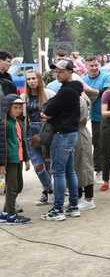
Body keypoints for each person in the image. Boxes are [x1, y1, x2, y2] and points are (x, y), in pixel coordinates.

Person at [40, 60, 84, 221]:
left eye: (61, 71)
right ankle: (73, 206)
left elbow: (48, 109)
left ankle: (57, 209)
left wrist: (48, 112)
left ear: (70, 72)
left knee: (58, 172)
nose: (57, 73)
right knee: (69, 171)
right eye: (56, 71)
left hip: (62, 134)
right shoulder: (71, 88)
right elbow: (50, 106)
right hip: (70, 133)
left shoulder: (66, 91)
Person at [22, 70, 55, 206]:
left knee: (48, 164)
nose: (31, 81)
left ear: (39, 79)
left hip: (46, 130)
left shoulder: (50, 94)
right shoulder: (24, 96)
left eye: (33, 78)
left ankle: (45, 193)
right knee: (38, 165)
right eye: (28, 79)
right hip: (31, 132)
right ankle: (51, 190)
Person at [0, 95, 30, 224]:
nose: (18, 110)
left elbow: (22, 141)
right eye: (15, 108)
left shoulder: (18, 122)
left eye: (20, 108)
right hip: (9, 160)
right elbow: (1, 144)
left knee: (18, 186)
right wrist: (1, 164)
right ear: (8, 108)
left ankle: (5, 212)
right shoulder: (4, 124)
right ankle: (12, 215)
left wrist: (27, 159)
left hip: (19, 159)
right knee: (12, 187)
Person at [82, 56, 110, 183]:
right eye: (91, 66)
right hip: (95, 117)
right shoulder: (83, 79)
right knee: (98, 143)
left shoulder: (106, 77)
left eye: (96, 65)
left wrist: (89, 91)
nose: (94, 68)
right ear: (86, 67)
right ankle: (99, 170)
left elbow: (105, 92)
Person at [75, 92, 96, 210]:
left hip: (80, 134)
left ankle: (89, 198)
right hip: (76, 134)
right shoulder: (77, 98)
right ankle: (77, 197)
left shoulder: (80, 100)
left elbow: (80, 119)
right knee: (76, 167)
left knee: (85, 166)